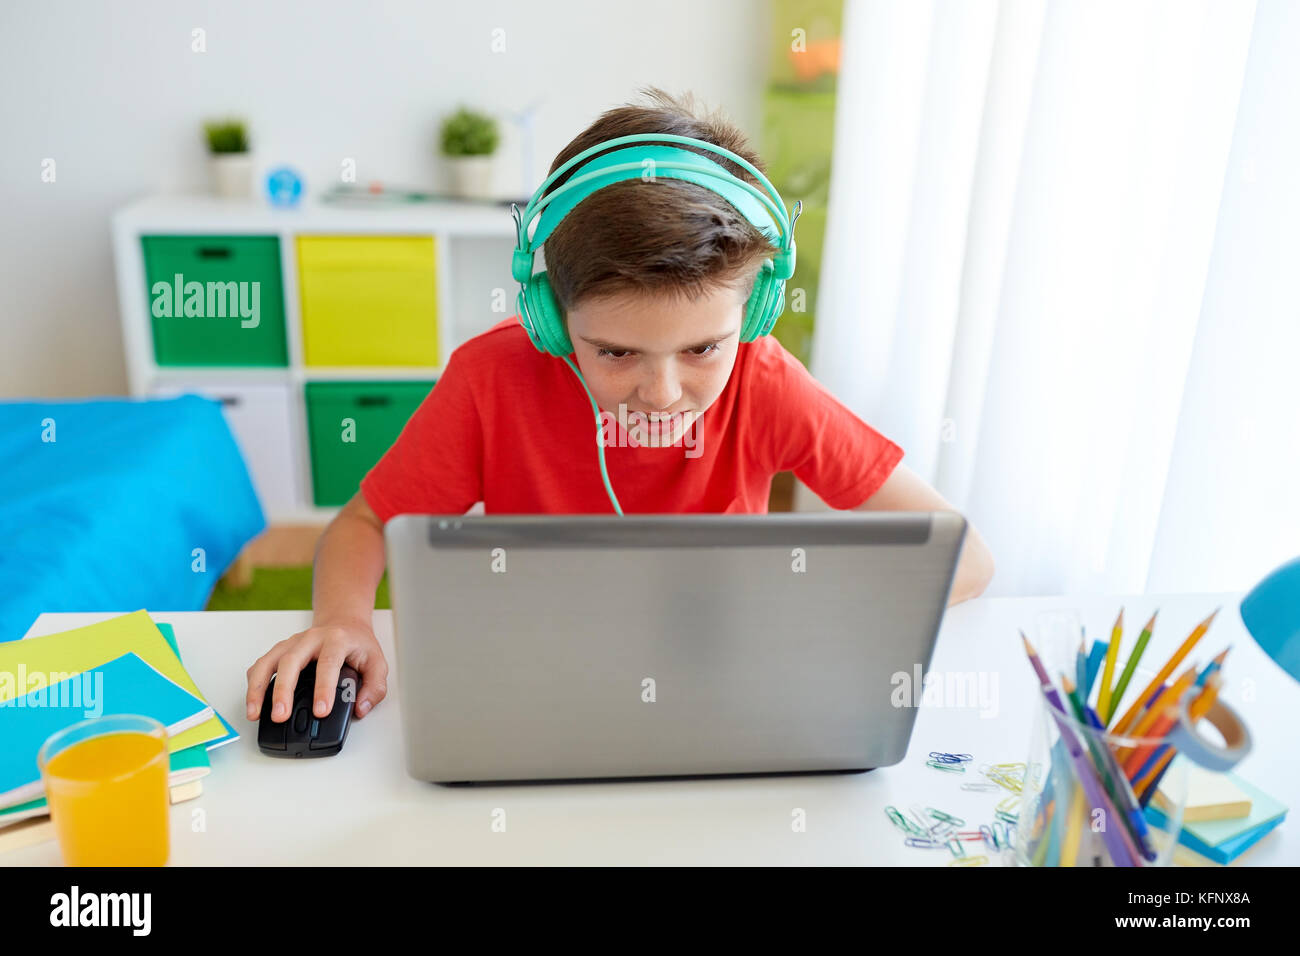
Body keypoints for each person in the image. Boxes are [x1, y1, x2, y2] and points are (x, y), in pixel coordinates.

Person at [245, 87, 995, 728]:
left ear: (758, 310)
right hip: (539, 681)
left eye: (703, 349)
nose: (663, 393)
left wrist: (817, 627)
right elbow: (368, 523)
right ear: (549, 318)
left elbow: (964, 557)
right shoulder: (492, 378)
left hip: (720, 686)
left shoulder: (765, 381)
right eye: (615, 353)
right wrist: (344, 622)